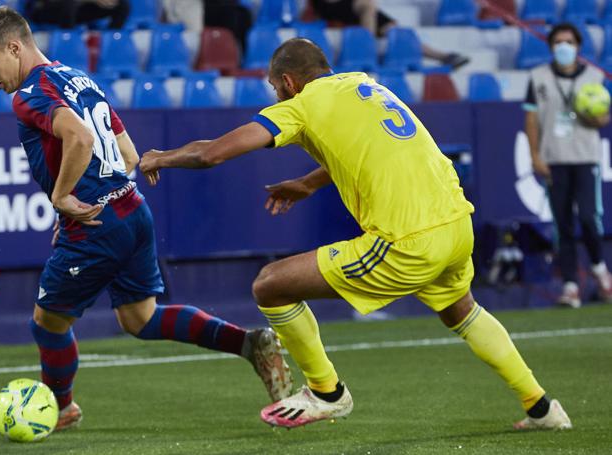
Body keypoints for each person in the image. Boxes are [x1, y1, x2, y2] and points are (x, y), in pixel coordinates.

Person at [138, 38, 572, 430]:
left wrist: (162, 156)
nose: (276, 95)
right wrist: (307, 183)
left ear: (288, 82)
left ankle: (327, 392)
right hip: (456, 224)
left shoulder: (301, 105)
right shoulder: (365, 86)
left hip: (407, 239)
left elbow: (213, 153)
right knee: (462, 311)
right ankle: (542, 407)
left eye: (274, 87)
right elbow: (366, 147)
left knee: (270, 285)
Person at [0, 6, 292, 431]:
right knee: (140, 319)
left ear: (14, 47)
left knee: (47, 322)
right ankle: (250, 342)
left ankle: (61, 409)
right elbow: (129, 155)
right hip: (133, 210)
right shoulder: (76, 76)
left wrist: (64, 197)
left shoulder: (28, 94)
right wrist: (90, 194)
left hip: (97, 225)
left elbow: (79, 137)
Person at [524, 22, 612, 309]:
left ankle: (599, 267)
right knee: (562, 225)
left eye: (569, 42)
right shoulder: (537, 77)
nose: (564, 47)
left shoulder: (594, 76)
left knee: (589, 218)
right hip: (554, 160)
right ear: (551, 47)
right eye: (559, 42)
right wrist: (535, 156)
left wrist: (598, 118)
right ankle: (571, 285)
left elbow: (604, 117)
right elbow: (531, 119)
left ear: (578, 46)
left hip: (586, 157)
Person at [310, 0, 469, 69]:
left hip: (361, 14)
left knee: (396, 32)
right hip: (337, 10)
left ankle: (442, 56)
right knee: (368, 5)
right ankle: (367, 50)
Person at [24, 0, 130, 30]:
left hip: (78, 9)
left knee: (121, 5)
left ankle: (111, 42)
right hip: (45, 10)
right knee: (70, 4)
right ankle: (68, 40)